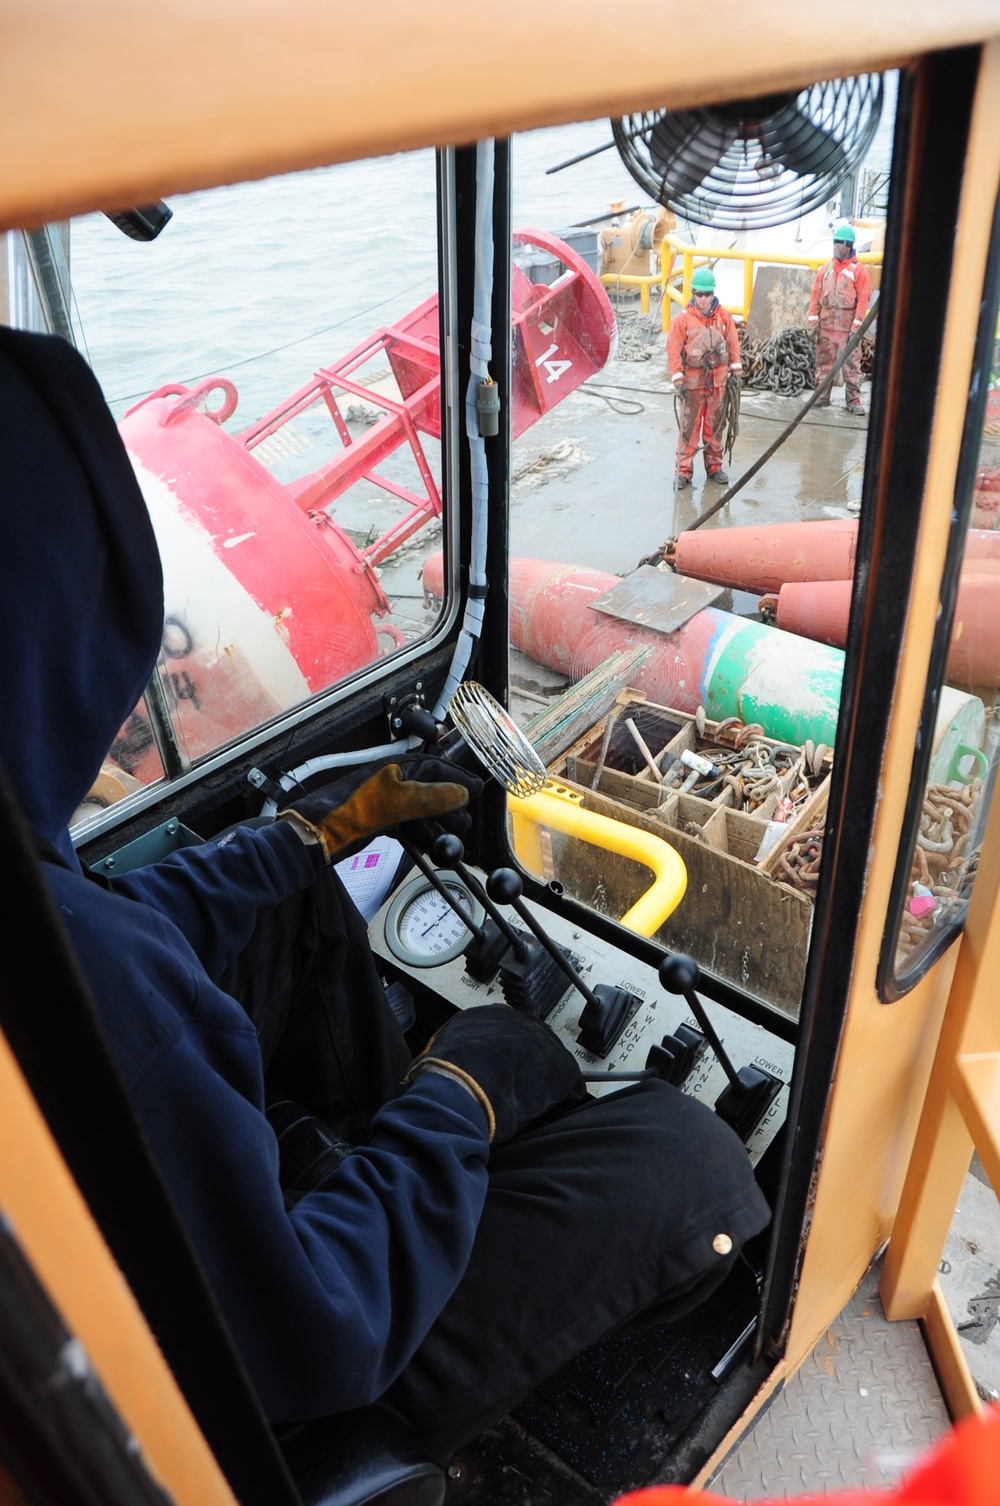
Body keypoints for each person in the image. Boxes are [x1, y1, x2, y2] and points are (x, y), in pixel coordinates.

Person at [0, 324, 770, 1460]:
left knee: (292, 896)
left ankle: (362, 1151)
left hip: (161, 1259)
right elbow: (314, 1337)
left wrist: (310, 840)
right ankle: (406, 1216)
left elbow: (103, 935)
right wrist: (458, 1097)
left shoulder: (46, 908)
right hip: (261, 1388)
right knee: (686, 1157)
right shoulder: (104, 996)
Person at [666, 266, 743, 490]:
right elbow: (673, 349)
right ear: (693, 293)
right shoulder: (682, 320)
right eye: (698, 294)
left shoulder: (724, 318)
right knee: (689, 429)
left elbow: (733, 345)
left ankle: (714, 468)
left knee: (716, 427)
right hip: (693, 384)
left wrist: (735, 373)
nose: (702, 299)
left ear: (712, 294)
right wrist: (678, 380)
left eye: (706, 294)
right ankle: (683, 472)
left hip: (718, 383)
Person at [807, 223, 872, 416]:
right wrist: (812, 322)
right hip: (826, 327)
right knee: (824, 363)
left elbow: (863, 299)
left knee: (851, 366)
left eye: (839, 243)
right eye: (834, 243)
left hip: (846, 331)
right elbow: (815, 296)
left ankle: (853, 400)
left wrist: (856, 328)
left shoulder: (858, 271)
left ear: (849, 245)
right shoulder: (826, 270)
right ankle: (821, 397)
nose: (835, 247)